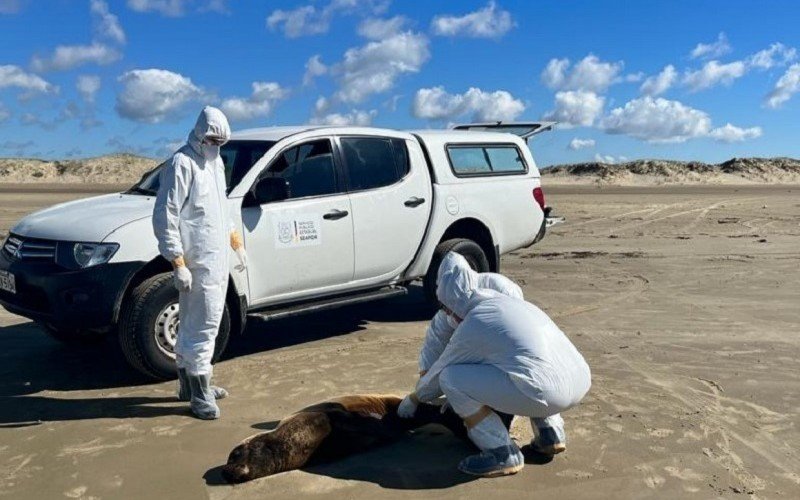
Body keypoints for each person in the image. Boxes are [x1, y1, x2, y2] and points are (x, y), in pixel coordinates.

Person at [398, 252, 591, 477]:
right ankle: (551, 433)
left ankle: (501, 452)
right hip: (578, 381)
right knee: (522, 363)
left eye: (449, 309)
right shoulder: (510, 303)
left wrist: (415, 398)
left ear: (453, 303)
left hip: (545, 393)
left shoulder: (476, 321)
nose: (449, 315)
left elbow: (442, 371)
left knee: (451, 378)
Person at [152, 106, 246, 420]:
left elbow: (221, 206)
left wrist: (234, 238)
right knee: (203, 326)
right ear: (199, 133)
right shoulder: (182, 163)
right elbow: (166, 215)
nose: (215, 144)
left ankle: (189, 385)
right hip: (197, 260)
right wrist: (177, 260)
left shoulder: (215, 163)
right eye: (211, 138)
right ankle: (200, 393)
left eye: (221, 140)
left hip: (216, 258)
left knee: (201, 321)